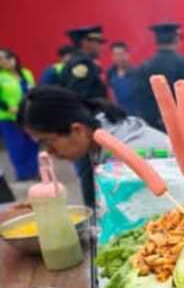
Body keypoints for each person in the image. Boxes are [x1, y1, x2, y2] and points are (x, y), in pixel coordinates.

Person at [17, 85, 169, 206]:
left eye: (48, 141)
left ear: (77, 130)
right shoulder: (97, 136)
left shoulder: (125, 159)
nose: (48, 152)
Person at [0, 49, 39, 180]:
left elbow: (33, 90)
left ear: (13, 57)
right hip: (8, 117)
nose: (4, 61)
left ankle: (35, 171)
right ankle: (23, 173)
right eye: (0, 59)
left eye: (5, 57)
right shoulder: (1, 76)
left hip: (28, 114)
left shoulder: (26, 73)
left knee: (33, 143)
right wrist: (7, 107)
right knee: (17, 145)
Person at [59, 25, 108, 99]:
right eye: (98, 42)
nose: (101, 46)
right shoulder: (83, 63)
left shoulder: (76, 60)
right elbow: (79, 96)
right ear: (85, 43)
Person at [107, 42, 138, 115]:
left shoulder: (137, 73)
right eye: (116, 55)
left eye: (121, 54)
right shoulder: (111, 73)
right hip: (120, 115)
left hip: (136, 115)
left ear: (128, 54)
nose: (119, 58)